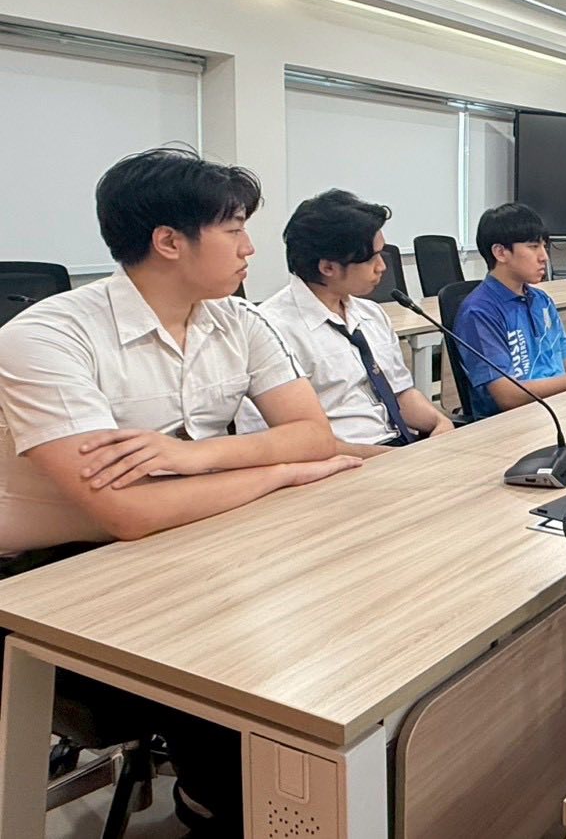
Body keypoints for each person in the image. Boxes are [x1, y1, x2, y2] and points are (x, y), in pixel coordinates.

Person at [0, 146, 358, 834]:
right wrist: (276, 472)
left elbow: (312, 434)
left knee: (332, 613)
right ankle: (221, 807)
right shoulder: (47, 338)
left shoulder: (237, 321)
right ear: (169, 241)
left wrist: (195, 458)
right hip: (50, 576)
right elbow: (128, 512)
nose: (250, 248)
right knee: (253, 682)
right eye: (234, 230)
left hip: (193, 537)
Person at [241, 190, 453, 454]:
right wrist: (394, 458)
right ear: (328, 267)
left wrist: (440, 423)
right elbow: (277, 440)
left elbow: (400, 393)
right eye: (371, 259)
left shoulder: (371, 314)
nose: (382, 267)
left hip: (396, 448)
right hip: (343, 461)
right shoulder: (271, 329)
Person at [457, 203, 566, 418]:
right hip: (513, 423)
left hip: (560, 408)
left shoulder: (541, 300)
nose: (544, 257)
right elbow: (507, 396)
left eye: (544, 246)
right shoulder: (479, 312)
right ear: (500, 252)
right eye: (533, 247)